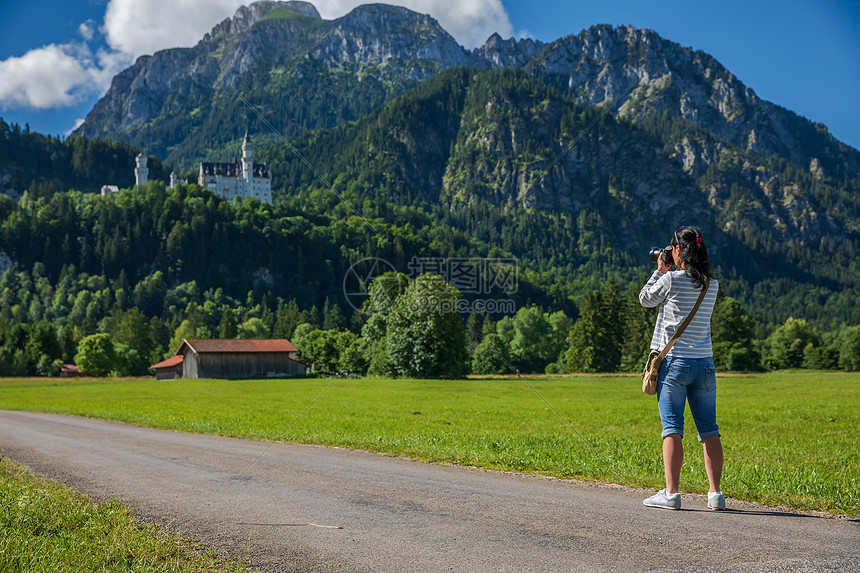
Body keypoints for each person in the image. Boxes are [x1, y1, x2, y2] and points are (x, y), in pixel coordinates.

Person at [638, 225, 724, 510]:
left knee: (672, 428)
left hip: (675, 364)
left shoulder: (671, 280)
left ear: (677, 250)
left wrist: (659, 270)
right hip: (705, 364)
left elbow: (645, 299)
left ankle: (672, 493)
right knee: (709, 430)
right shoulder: (712, 283)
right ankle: (715, 495)